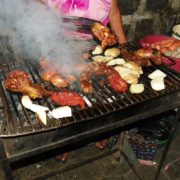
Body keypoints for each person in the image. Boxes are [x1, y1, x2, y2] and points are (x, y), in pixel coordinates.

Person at [39, 0, 128, 161]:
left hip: (95, 47)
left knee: (99, 92)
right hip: (60, 46)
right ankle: (63, 140)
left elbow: (114, 13)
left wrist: (124, 47)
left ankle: (101, 130)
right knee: (63, 92)